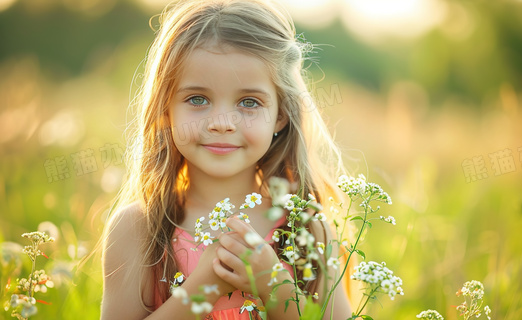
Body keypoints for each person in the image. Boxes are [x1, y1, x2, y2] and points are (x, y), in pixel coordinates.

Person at [101, 0, 354, 319]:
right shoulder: (139, 227)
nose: (222, 122)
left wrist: (272, 284)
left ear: (281, 116)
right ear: (167, 110)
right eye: (197, 99)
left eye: (249, 102)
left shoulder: (307, 227)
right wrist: (204, 286)